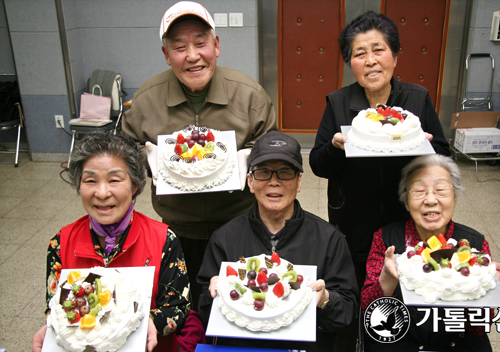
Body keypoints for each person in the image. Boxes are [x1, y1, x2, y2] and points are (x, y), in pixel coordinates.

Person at [121, 1, 277, 308]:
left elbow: (273, 156)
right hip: (178, 231)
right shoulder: (145, 100)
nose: (192, 56)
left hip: (240, 227)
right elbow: (122, 159)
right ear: (167, 55)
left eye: (201, 43)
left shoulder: (248, 95)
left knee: (242, 304)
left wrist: (250, 160)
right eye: (179, 47)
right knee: (187, 309)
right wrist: (146, 158)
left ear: (216, 45)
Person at [309, 10, 451, 291]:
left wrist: (424, 147)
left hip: (408, 219)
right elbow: (317, 164)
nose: (370, 61)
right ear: (350, 63)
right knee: (357, 287)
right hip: (353, 220)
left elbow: (446, 159)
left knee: (409, 286)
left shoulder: (417, 99)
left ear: (395, 55)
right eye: (359, 53)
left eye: (379, 50)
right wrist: (337, 147)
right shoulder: (338, 103)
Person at [31, 132, 203, 352]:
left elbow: (179, 308)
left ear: (134, 186)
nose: (102, 193)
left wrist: (149, 323)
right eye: (90, 180)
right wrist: (51, 327)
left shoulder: (164, 239)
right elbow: (56, 307)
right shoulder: (60, 243)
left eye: (114, 180)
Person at [196, 131, 358, 352]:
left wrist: (326, 300)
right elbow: (203, 313)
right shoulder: (225, 238)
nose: (274, 182)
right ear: (250, 182)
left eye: (285, 172)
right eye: (263, 172)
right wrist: (212, 294)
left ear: (299, 181)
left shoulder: (329, 239)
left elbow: (348, 312)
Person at [361, 154, 500, 351]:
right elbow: (369, 312)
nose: (431, 200)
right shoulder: (386, 239)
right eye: (419, 191)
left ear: (455, 198)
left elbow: (479, 328)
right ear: (406, 202)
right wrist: (387, 280)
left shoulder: (474, 244)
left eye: (440, 190)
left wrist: (483, 291)